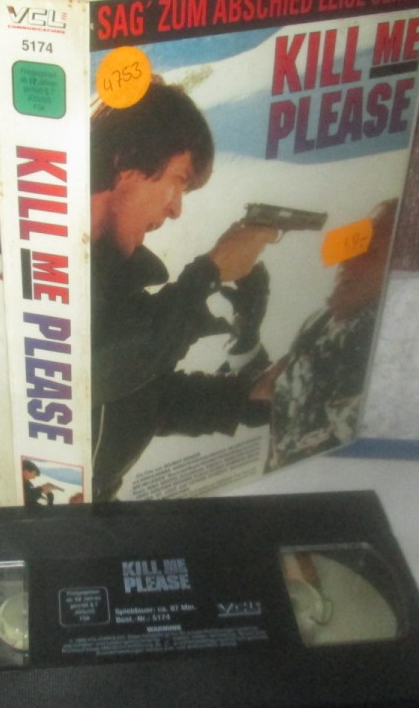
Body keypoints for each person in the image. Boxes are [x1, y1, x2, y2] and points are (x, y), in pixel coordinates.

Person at [89, 79, 277, 501]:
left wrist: (246, 397)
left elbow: (144, 397)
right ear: (126, 161)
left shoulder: (119, 280)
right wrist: (209, 274)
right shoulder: (36, 256)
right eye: (179, 180)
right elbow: (99, 368)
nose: (176, 208)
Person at [264, 199, 397, 471]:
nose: (347, 260)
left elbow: (342, 438)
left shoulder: (381, 341)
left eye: (371, 253)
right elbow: (279, 400)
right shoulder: (319, 322)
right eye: (355, 246)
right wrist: (245, 342)